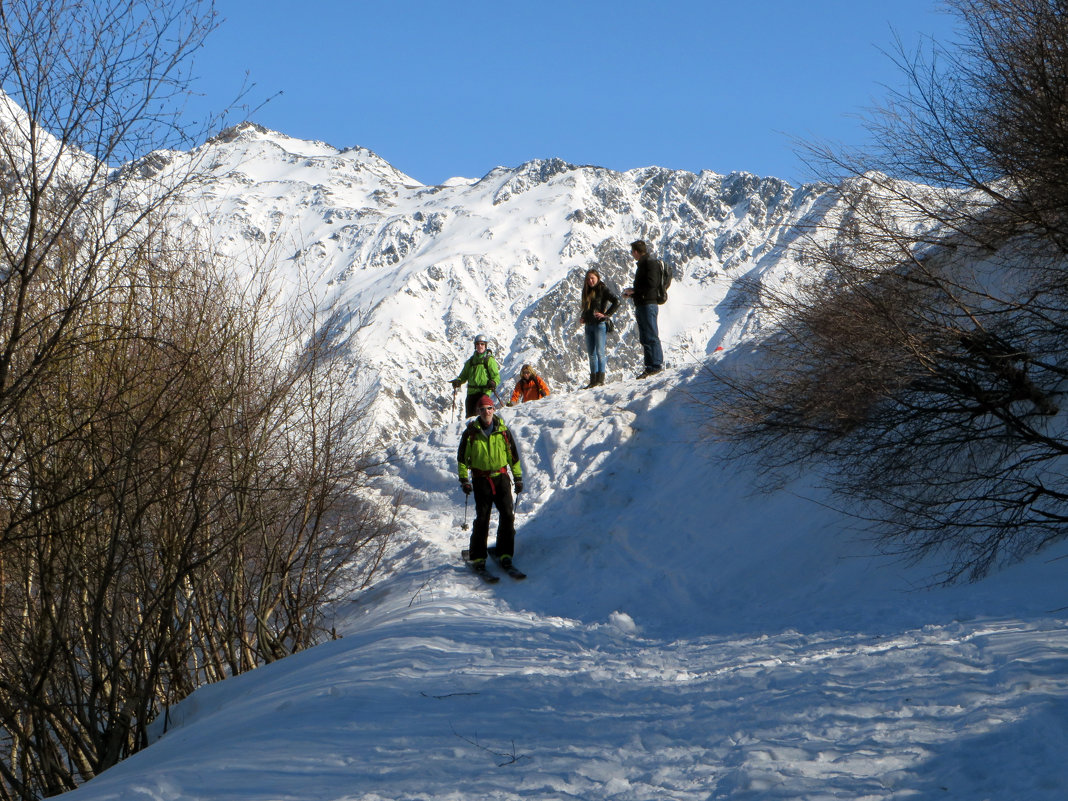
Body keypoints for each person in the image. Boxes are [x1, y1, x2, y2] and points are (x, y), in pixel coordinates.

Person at [457, 394, 524, 573]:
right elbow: (462, 459)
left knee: (508, 515)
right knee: (483, 518)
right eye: (482, 409)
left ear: (493, 409)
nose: (486, 411)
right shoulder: (471, 432)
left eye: (488, 408)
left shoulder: (503, 431)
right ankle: (478, 556)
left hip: (501, 478)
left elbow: (513, 457)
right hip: (481, 479)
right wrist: (464, 479)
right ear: (477, 412)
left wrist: (517, 478)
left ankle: (505, 553)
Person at [622, 240, 664, 378]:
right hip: (642, 303)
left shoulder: (649, 263)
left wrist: (635, 291)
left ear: (635, 251)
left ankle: (656, 364)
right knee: (645, 335)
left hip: (648, 303)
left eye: (632, 252)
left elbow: (652, 283)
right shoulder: (645, 263)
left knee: (651, 334)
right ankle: (650, 365)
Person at [577, 268, 619, 388]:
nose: (590, 281)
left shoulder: (603, 289)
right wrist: (583, 317)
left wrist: (606, 315)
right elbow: (586, 307)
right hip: (589, 324)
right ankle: (593, 380)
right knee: (591, 353)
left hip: (599, 324)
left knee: (600, 352)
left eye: (592, 278)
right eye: (588, 279)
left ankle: (600, 379)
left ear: (597, 278)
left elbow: (617, 301)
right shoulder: (586, 291)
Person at [451, 334, 501, 417]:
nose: (480, 346)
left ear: (485, 345)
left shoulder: (489, 360)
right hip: (471, 394)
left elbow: (496, 376)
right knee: (470, 419)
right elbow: (464, 375)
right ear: (475, 346)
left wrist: (493, 382)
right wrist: (459, 381)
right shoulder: (470, 362)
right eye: (477, 344)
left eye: (482, 344)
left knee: (482, 417)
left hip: (484, 392)